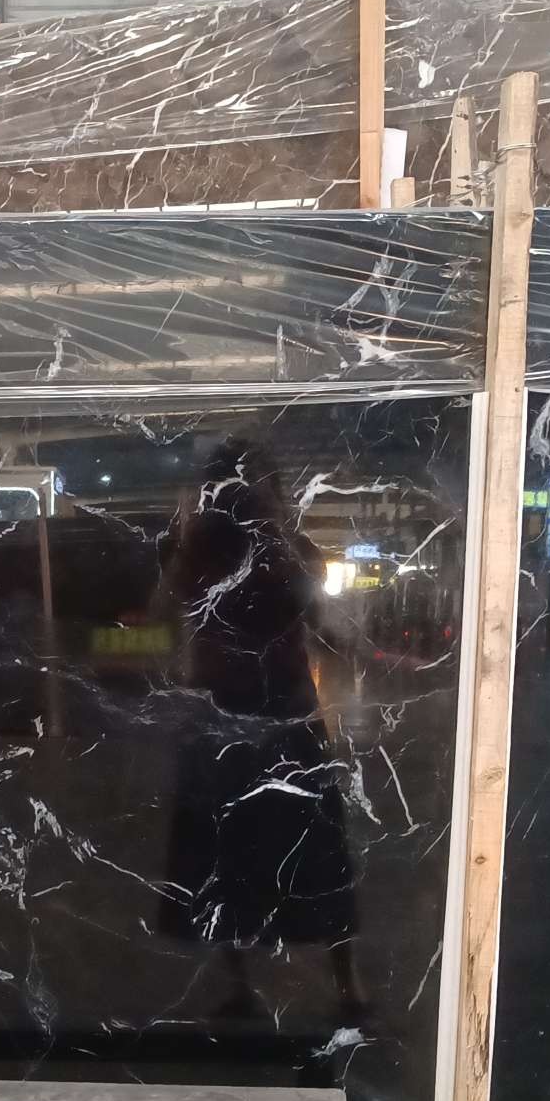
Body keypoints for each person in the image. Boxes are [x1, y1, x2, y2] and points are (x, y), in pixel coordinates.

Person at [157, 437, 366, 1020]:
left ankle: (245, 987)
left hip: (234, 713)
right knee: (307, 847)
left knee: (232, 849)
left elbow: (164, 613)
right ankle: (346, 987)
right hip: (278, 712)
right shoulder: (267, 545)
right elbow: (315, 617)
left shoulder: (206, 550)